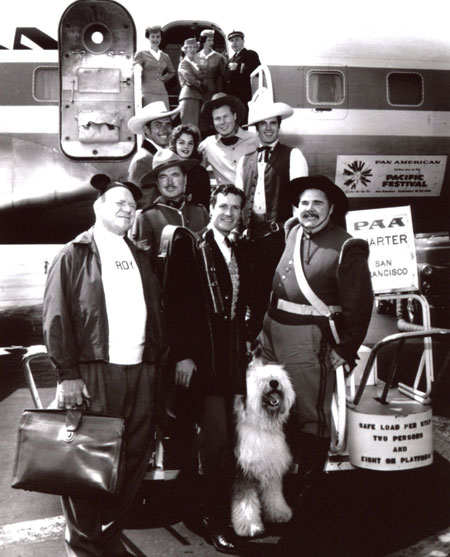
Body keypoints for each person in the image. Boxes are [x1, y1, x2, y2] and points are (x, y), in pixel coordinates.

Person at [43, 174, 166, 557]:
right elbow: (56, 317)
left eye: (132, 205)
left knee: (132, 459)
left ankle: (109, 538)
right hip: (96, 374)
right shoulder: (73, 254)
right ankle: (82, 547)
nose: (128, 209)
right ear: (99, 208)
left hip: (140, 371)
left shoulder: (139, 254)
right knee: (87, 462)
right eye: (119, 203)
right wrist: (68, 375)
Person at [256, 176, 373, 553]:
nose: (308, 209)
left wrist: (348, 348)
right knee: (272, 410)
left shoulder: (347, 246)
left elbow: (359, 305)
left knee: (311, 414)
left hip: (307, 339)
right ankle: (277, 479)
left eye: (317, 204)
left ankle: (305, 493)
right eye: (304, 203)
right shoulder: (293, 230)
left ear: (331, 208)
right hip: (272, 331)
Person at [163, 184, 250, 555]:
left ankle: (221, 510)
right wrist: (182, 354)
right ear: (210, 208)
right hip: (202, 362)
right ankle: (213, 519)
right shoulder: (191, 245)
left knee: (231, 442)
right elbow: (174, 302)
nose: (228, 213)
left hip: (231, 362)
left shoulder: (239, 248)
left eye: (235, 208)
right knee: (213, 443)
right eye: (223, 206)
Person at [235, 99, 309, 338]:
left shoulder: (293, 155)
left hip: (278, 238)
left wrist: (296, 238)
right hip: (250, 238)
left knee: (278, 294)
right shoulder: (244, 160)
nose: (268, 128)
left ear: (279, 126)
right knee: (251, 296)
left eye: (273, 124)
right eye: (263, 124)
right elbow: (238, 201)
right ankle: (252, 347)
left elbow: (301, 203)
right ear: (256, 129)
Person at [134, 148, 209, 275]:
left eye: (175, 175)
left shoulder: (200, 211)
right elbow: (145, 268)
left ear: (185, 179)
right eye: (163, 177)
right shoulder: (147, 217)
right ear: (157, 183)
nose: (170, 183)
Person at [127, 101, 180, 207]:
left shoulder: (158, 155)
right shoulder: (142, 161)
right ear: (146, 130)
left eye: (168, 124)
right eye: (158, 124)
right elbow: (145, 204)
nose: (164, 130)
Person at [198, 92, 258, 185]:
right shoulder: (207, 145)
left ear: (234, 116)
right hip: (227, 197)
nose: (222, 122)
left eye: (226, 116)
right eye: (217, 118)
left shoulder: (255, 140)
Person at [133, 25, 176, 109]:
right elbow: (134, 73)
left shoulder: (165, 56)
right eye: (153, 37)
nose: (155, 39)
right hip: (147, 92)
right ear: (148, 37)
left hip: (162, 92)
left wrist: (163, 78)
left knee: (163, 118)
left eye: (158, 37)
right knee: (149, 118)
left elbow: (172, 72)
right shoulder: (141, 54)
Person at [169, 123, 211, 209]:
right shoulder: (167, 168)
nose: (186, 147)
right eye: (181, 142)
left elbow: (205, 204)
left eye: (190, 143)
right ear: (174, 144)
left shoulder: (200, 172)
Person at [224, 31, 260, 123]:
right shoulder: (231, 59)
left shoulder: (250, 54)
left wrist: (238, 67)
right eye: (231, 41)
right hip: (232, 97)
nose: (234, 43)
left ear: (243, 41)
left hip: (243, 96)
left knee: (242, 121)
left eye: (237, 40)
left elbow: (257, 71)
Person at [178, 38, 205, 127]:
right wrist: (201, 85)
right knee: (189, 125)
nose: (192, 50)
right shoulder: (184, 63)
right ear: (185, 50)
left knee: (195, 126)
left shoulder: (195, 63)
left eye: (194, 47)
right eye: (189, 47)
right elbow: (190, 80)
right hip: (188, 96)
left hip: (195, 96)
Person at [196, 29, 225, 102]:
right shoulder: (195, 56)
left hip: (211, 91)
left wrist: (220, 92)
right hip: (196, 90)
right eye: (209, 40)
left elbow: (222, 76)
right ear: (203, 41)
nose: (211, 43)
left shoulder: (219, 57)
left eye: (212, 40)